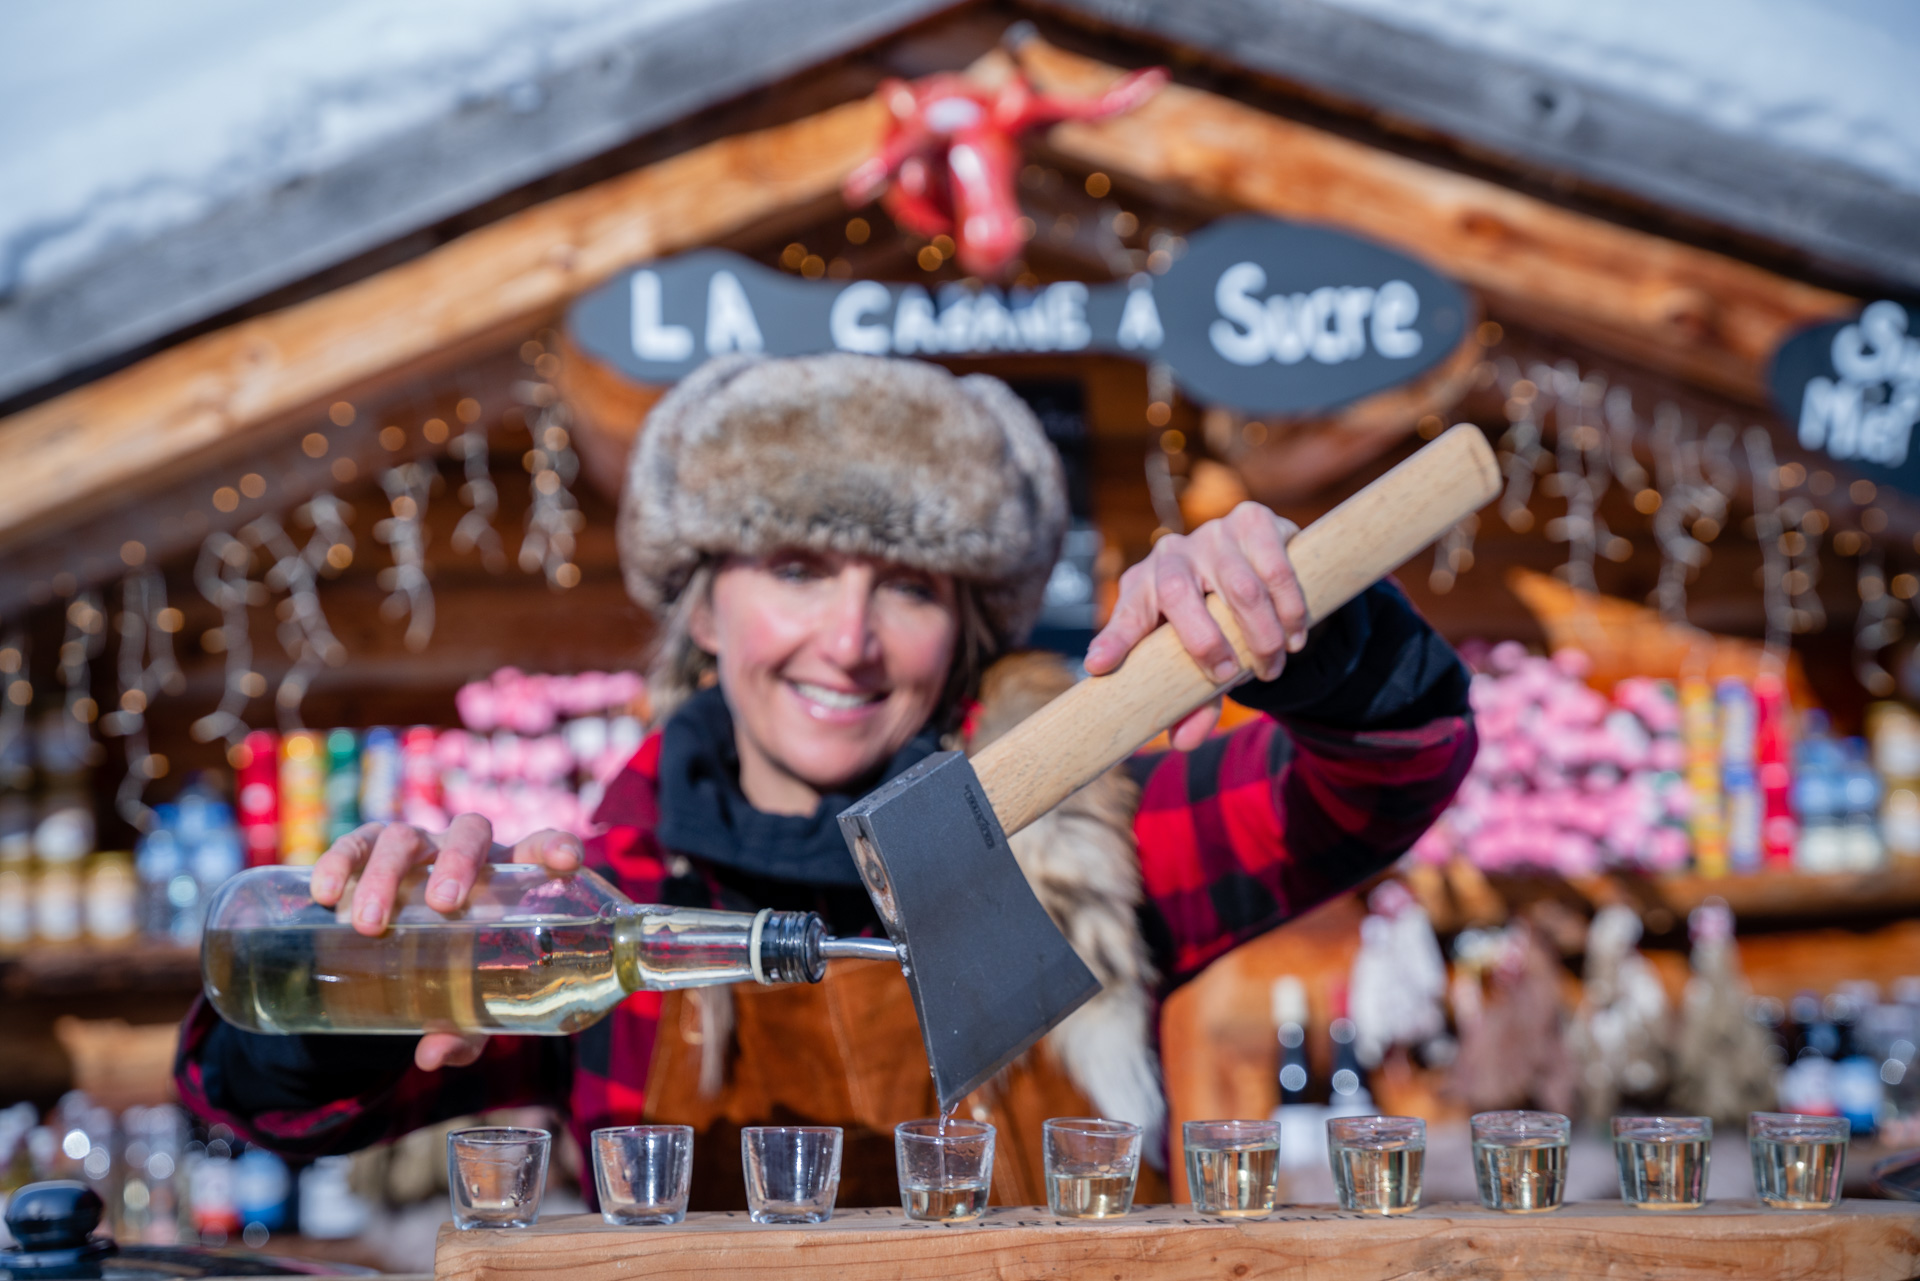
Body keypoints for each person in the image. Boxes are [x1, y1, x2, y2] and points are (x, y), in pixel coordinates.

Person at [175, 353, 1474, 1207]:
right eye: (797, 568)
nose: (848, 640)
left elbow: (1383, 773)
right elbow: (268, 1116)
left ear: (965, 624)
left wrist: (1311, 630)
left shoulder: (1081, 834)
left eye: (905, 585)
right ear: (702, 608)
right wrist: (334, 974)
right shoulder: (594, 899)